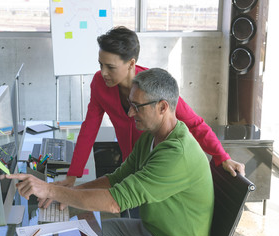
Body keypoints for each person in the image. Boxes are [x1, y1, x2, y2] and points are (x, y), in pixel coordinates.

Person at [7, 68, 215, 236]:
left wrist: (50, 191)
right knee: (78, 234)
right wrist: (69, 194)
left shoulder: (177, 154)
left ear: (162, 107)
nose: (130, 113)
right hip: (150, 230)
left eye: (137, 107)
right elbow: (116, 179)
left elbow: (114, 203)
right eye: (130, 104)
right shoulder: (150, 137)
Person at [58, 26, 244, 189]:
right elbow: (89, 127)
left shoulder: (155, 86)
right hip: (128, 165)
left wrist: (222, 156)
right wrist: (73, 175)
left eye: (110, 67)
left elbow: (194, 123)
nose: (103, 72)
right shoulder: (99, 83)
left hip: (158, 167)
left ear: (131, 63)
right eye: (100, 65)